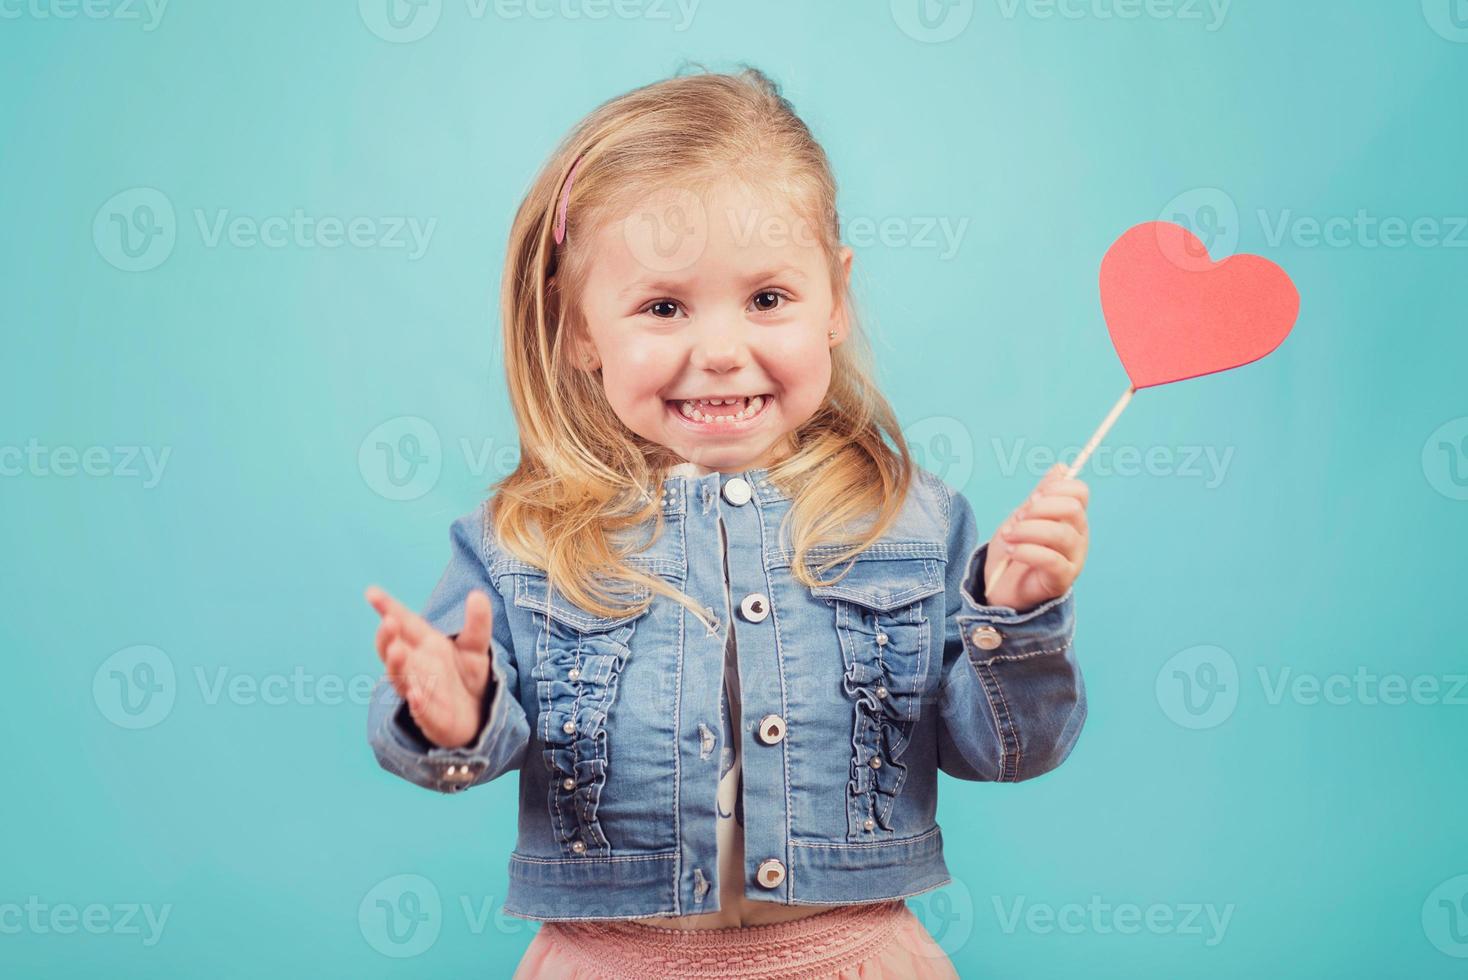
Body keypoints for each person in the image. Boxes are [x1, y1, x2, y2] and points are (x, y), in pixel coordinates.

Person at [364, 65, 1091, 978]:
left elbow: (1006, 754)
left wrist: (1013, 618)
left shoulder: (912, 522)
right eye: (663, 307)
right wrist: (453, 712)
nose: (719, 351)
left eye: (768, 299)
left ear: (835, 299)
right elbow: (448, 750)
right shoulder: (523, 540)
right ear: (580, 328)